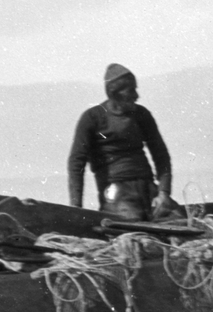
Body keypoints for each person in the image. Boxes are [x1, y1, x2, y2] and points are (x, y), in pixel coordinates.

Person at [67, 63, 173, 219]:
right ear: (115, 93)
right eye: (131, 90)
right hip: (117, 193)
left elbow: (161, 155)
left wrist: (164, 193)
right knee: (133, 227)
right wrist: (76, 208)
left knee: (183, 222)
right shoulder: (92, 118)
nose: (137, 96)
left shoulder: (141, 114)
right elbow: (76, 163)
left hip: (148, 189)